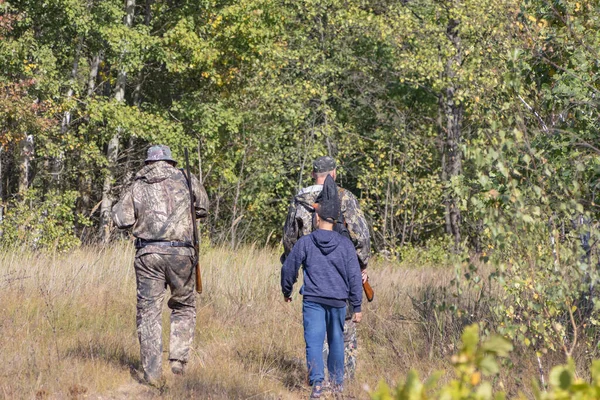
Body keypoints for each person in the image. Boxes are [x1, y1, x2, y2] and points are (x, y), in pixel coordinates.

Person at [112, 144, 208, 386]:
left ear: (148, 163)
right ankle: (177, 361)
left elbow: (121, 219)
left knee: (148, 312)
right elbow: (203, 207)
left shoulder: (138, 184)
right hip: (181, 253)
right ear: (170, 161)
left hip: (148, 254)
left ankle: (152, 373)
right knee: (184, 305)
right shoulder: (186, 178)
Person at [282, 155, 371, 380]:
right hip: (343, 273)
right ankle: (342, 383)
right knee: (345, 331)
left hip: (313, 276)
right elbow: (361, 236)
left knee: (316, 332)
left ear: (314, 174)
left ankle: (318, 381)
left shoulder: (299, 200)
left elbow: (289, 240)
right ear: (333, 174)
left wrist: (292, 274)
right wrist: (360, 265)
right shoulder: (344, 197)